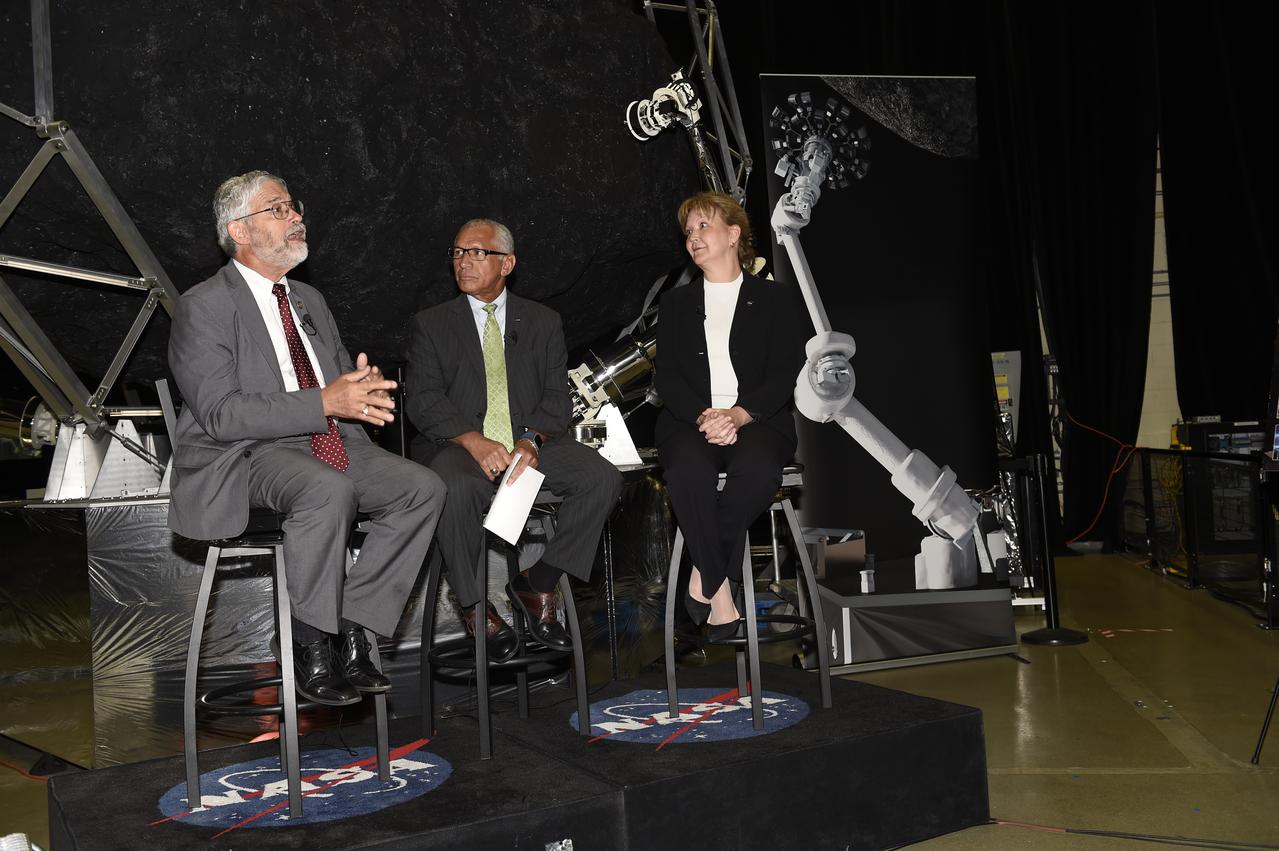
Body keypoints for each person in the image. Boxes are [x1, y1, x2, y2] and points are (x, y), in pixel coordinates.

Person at [168, 170, 446, 706]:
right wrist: (326, 401)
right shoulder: (203, 306)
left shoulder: (310, 301)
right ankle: (309, 638)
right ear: (240, 230)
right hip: (247, 455)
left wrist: (361, 394)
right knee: (325, 491)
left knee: (423, 488)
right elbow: (223, 415)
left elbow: (336, 387)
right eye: (279, 209)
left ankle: (354, 627)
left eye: (294, 206)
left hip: (329, 444)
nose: (296, 216)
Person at [406, 218, 622, 660]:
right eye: (458, 253)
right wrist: (472, 440)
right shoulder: (432, 324)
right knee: (457, 486)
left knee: (601, 478)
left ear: (507, 262)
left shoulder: (543, 322)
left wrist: (530, 441)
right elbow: (423, 400)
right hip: (458, 447)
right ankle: (474, 605)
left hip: (527, 445)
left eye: (476, 252)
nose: (463, 261)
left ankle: (536, 583)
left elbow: (556, 401)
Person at [654, 191, 807, 641]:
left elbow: (785, 371)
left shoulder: (775, 298)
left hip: (759, 420)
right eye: (688, 232)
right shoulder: (675, 304)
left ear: (733, 233)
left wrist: (739, 415)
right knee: (685, 473)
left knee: (758, 471)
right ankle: (720, 593)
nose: (693, 238)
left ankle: (703, 575)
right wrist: (708, 416)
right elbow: (668, 379)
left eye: (703, 227)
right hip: (691, 421)